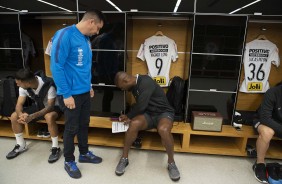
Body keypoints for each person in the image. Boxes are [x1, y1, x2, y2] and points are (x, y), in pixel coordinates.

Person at [50, 9, 104, 179]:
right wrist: (66, 94)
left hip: (84, 92)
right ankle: (68, 160)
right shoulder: (64, 35)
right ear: (91, 22)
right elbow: (56, 66)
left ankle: (84, 153)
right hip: (70, 94)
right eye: (98, 28)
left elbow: (84, 66)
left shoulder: (86, 39)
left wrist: (89, 86)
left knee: (83, 124)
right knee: (71, 128)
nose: (97, 32)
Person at [114, 71, 181, 181]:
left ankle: (171, 163)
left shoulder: (145, 82)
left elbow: (141, 106)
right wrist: (129, 117)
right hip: (149, 114)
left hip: (163, 113)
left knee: (163, 130)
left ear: (126, 81)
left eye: (122, 87)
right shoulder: (133, 86)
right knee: (133, 124)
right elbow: (141, 106)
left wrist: (129, 115)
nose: (122, 90)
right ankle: (124, 158)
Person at [6, 68, 61, 163]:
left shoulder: (48, 85)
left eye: (18, 83)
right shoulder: (23, 87)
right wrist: (21, 115)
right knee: (14, 115)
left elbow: (50, 107)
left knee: (49, 116)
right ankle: (21, 145)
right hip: (38, 107)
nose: (17, 84)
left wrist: (32, 116)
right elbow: (19, 104)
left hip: (55, 108)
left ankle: (55, 147)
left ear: (28, 83)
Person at [252, 83, 282, 183]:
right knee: (267, 132)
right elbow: (265, 118)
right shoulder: (273, 92)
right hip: (263, 121)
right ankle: (259, 164)